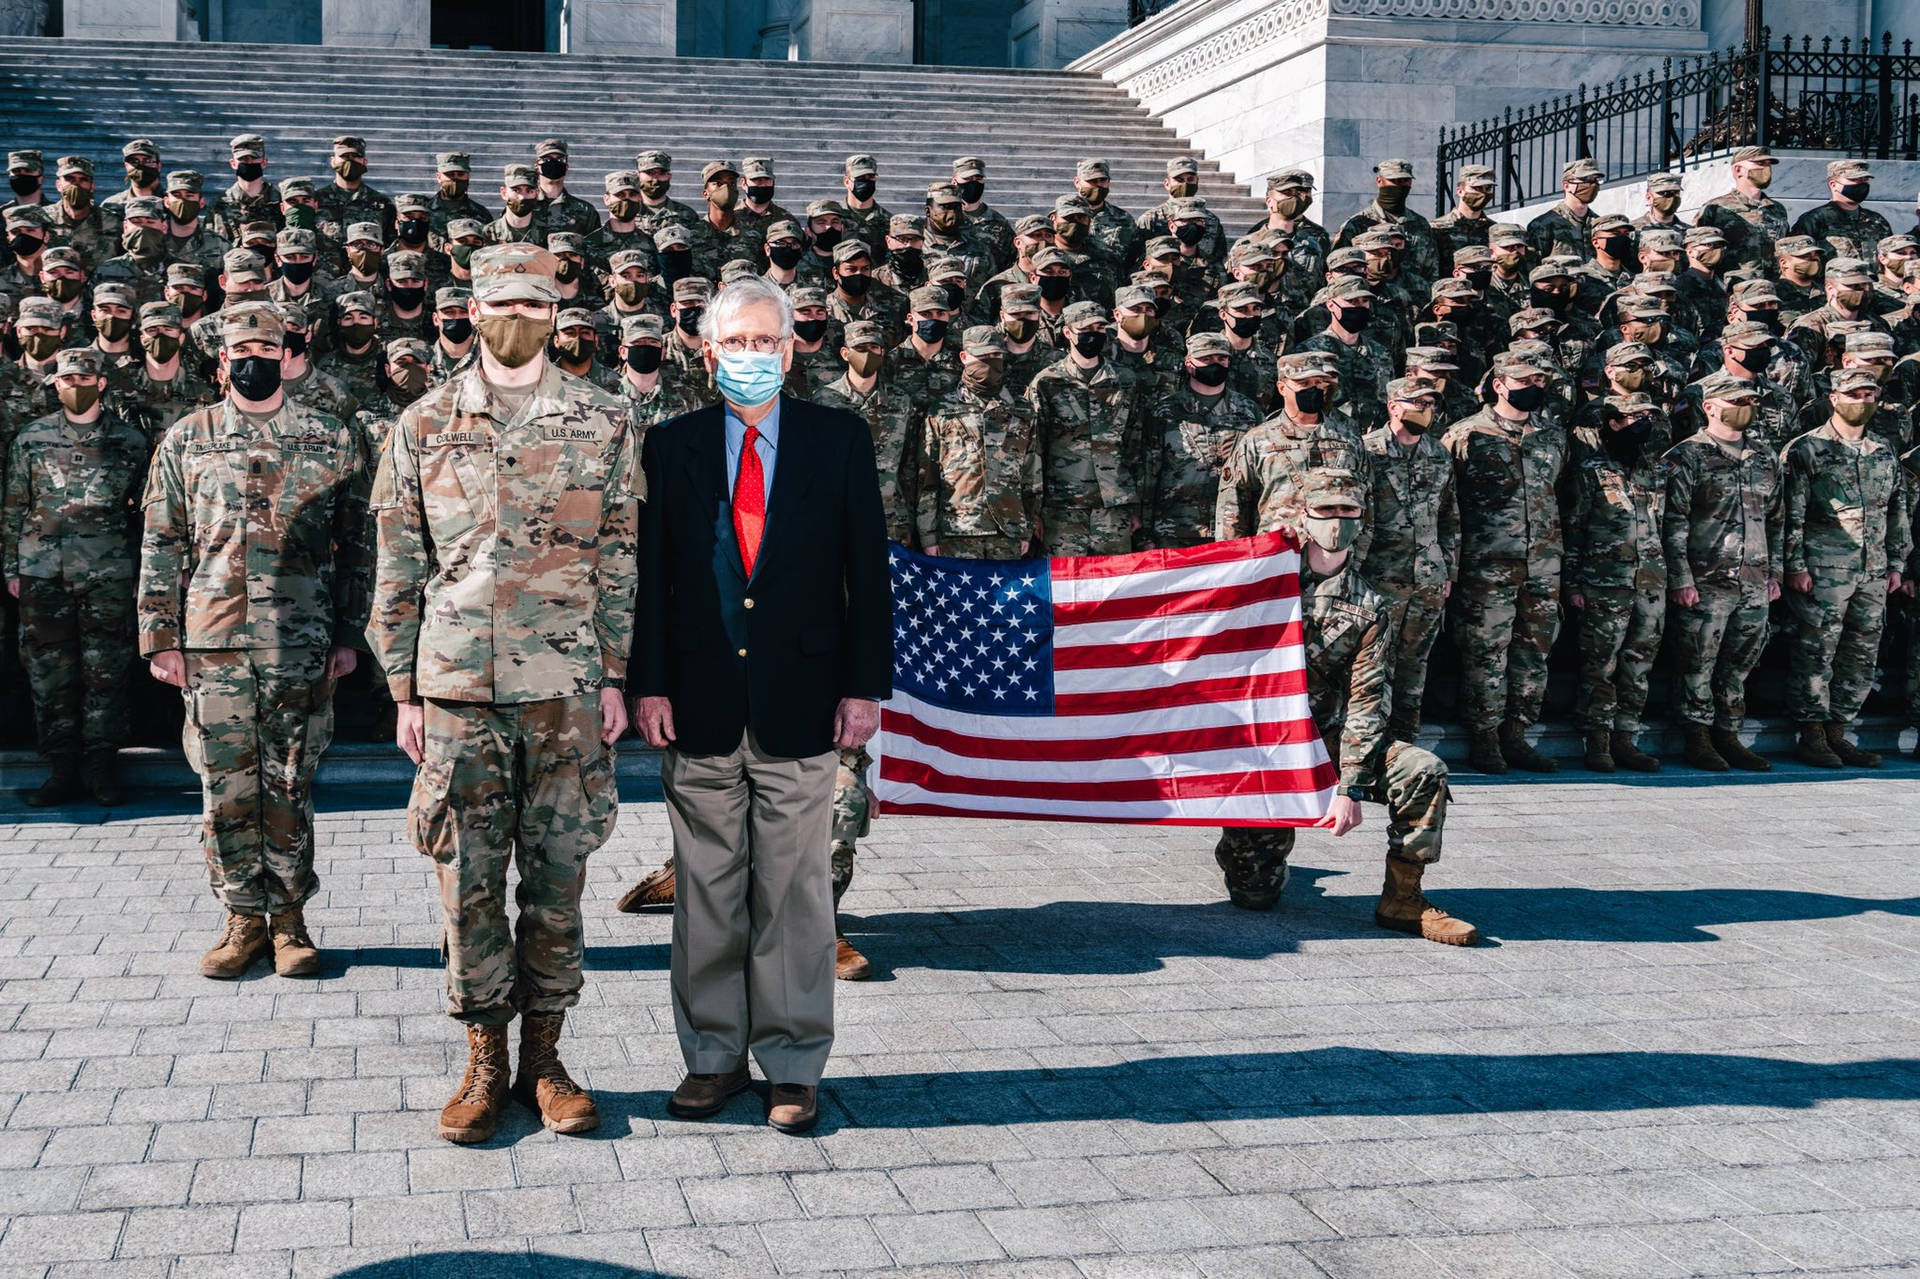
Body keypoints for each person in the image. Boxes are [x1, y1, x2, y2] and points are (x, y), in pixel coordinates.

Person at [367, 243, 641, 1145]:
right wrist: (404, 689)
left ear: (558, 315)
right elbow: (400, 564)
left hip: (565, 690)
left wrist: (614, 674)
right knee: (469, 885)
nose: (519, 318)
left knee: (559, 883)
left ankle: (546, 1060)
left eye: (536, 302)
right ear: (473, 311)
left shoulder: (604, 418)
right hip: (456, 690)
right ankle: (484, 1060)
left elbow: (619, 556)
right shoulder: (424, 422)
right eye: (503, 303)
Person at [631, 274, 892, 1136]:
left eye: (765, 342)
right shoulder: (671, 446)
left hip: (804, 704)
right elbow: (652, 583)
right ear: (708, 356)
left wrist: (863, 688)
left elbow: (868, 574)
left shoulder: (839, 440)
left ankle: (791, 1065)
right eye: (734, 344)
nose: (751, 357)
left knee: (794, 895)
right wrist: (649, 683)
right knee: (707, 892)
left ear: (791, 350)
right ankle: (711, 1058)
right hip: (700, 702)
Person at [136, 301, 370, 979]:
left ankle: (291, 919)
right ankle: (242, 917)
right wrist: (160, 636)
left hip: (299, 640)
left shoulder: (330, 437)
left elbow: (358, 546)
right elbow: (161, 542)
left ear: (284, 360)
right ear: (221, 364)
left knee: (290, 782)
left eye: (268, 355)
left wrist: (350, 633)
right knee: (226, 786)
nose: (255, 364)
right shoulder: (186, 439)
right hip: (212, 643)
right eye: (243, 355)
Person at [1215, 466, 1476, 944]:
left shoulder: (1370, 604)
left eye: (1348, 511)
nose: (1338, 520)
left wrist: (1349, 787)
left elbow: (1367, 701)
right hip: (1265, 747)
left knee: (1423, 770)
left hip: (1332, 739)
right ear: (1302, 516)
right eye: (1326, 510)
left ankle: (1403, 899)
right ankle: (1254, 855)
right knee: (1254, 893)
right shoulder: (1259, 581)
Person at [3, 347, 149, 806]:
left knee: (107, 673)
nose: (75, 386)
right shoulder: (31, 438)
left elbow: (145, 515)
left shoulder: (130, 441)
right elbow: (12, 508)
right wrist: (12, 568)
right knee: (50, 675)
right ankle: (62, 769)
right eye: (66, 380)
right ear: (56, 386)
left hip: (107, 573)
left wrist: (141, 571)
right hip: (43, 575)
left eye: (84, 379)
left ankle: (103, 769)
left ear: (101, 383)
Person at [1442, 351, 1568, 774]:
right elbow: (1447, 504)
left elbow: (1559, 496)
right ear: (1499, 383)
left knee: (1534, 653)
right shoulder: (1465, 435)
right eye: (1526, 379)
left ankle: (1517, 733)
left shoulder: (1551, 437)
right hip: (1487, 566)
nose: (1535, 386)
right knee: (1486, 654)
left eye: (1541, 379)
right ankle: (1485, 736)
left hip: (1542, 565)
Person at [1781, 366, 1911, 767]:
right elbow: (1791, 514)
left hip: (1872, 571)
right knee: (1817, 651)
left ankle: (1839, 730)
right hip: (1824, 569)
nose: (1864, 401)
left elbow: (1897, 510)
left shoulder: (1883, 449)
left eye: (1870, 394)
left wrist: (1896, 563)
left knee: (1861, 653)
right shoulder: (1807, 449)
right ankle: (1812, 733)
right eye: (1855, 394)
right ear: (1834, 398)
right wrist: (1795, 565)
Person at [1662, 372, 1782, 771]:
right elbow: (1673, 520)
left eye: (1750, 402)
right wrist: (1680, 578)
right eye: (1736, 402)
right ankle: (1697, 737)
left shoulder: (1764, 457)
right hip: (1706, 578)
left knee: (1740, 663)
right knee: (1698, 661)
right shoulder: (1686, 456)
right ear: (1710, 407)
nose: (1745, 409)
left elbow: (1776, 519)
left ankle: (1729, 734)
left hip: (1753, 578)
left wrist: (1774, 573)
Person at [1565, 389, 1670, 772]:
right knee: (1600, 664)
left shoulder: (1655, 469)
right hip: (1603, 581)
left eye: (1649, 417)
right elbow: (1574, 528)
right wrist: (1573, 584)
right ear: (1613, 423)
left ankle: (1626, 737)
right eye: (1634, 417)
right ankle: (1597, 739)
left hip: (1650, 581)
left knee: (1639, 662)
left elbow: (1667, 527)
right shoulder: (1590, 471)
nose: (1644, 424)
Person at [1359, 378, 1458, 742]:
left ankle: (1404, 739)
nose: (1426, 409)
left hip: (1428, 576)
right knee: (1375, 661)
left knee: (1415, 662)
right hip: (1380, 574)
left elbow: (1450, 515)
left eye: (1431, 403)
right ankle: (1371, 740)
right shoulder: (1368, 451)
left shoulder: (1438, 452)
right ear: (1393, 406)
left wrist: (1449, 567)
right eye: (1417, 402)